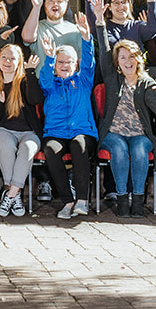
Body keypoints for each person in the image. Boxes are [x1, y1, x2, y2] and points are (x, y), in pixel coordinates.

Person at [98, 40, 156, 218]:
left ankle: (137, 201)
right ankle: (122, 200)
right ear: (117, 62)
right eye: (123, 58)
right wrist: (99, 22)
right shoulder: (113, 78)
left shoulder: (146, 81)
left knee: (138, 150)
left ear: (138, 59)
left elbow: (153, 100)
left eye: (131, 57)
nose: (127, 61)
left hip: (139, 134)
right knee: (119, 150)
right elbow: (105, 54)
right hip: (113, 133)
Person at [37, 27, 97, 221]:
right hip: (56, 132)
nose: (64, 65)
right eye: (60, 62)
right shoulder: (50, 84)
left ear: (75, 64)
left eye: (68, 62)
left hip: (82, 131)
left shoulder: (83, 81)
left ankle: (81, 200)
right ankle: (67, 201)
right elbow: (44, 78)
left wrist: (87, 39)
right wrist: (49, 58)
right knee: (50, 150)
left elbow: (89, 62)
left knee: (78, 145)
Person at [0, 42, 44, 218]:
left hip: (28, 132)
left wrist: (30, 72)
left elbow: (35, 99)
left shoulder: (26, 80)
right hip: (3, 130)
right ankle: (16, 194)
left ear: (19, 61)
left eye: (12, 58)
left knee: (27, 148)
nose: (7, 61)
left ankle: (10, 193)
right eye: (4, 57)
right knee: (6, 145)